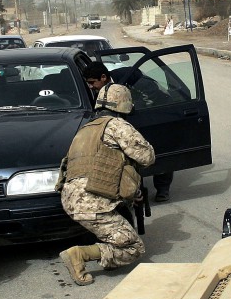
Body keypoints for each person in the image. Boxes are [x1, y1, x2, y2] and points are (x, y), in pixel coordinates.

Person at [58, 83, 155, 286]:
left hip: (71, 200)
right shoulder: (117, 125)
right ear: (124, 106)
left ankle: (108, 253)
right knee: (134, 248)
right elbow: (147, 157)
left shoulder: (85, 129)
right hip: (93, 203)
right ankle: (80, 254)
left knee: (118, 230)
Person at [82, 61, 173, 202]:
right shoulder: (98, 92)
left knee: (157, 152)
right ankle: (136, 191)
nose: (90, 86)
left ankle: (162, 189)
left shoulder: (130, 77)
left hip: (152, 117)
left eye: (92, 82)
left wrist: (129, 107)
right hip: (124, 126)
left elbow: (154, 95)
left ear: (103, 77)